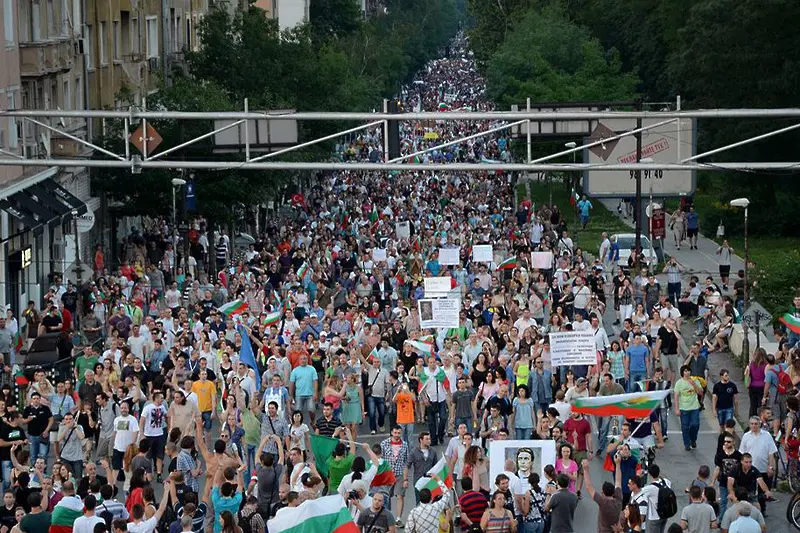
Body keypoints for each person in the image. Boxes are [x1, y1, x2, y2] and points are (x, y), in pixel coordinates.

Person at [581, 456, 622, 533]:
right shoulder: (618, 500)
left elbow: (588, 486)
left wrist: (585, 469)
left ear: (603, 492)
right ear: (614, 492)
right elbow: (618, 481)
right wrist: (618, 464)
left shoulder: (603, 502)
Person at [674, 365, 703, 451]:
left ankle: (693, 439)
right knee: (685, 427)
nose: (687, 373)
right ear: (682, 372)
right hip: (684, 408)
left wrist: (694, 385)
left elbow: (700, 393)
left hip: (694, 407)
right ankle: (687, 443)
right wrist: (677, 409)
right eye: (685, 371)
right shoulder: (679, 383)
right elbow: (676, 396)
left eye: (688, 371)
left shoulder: (695, 380)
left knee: (695, 424)